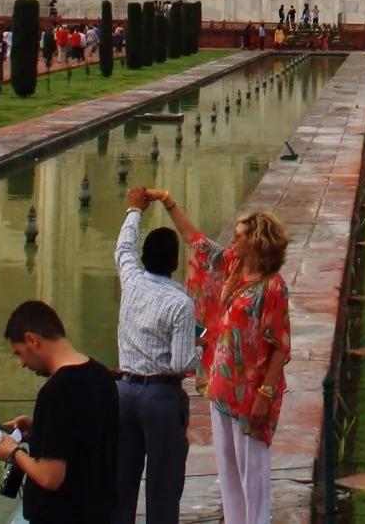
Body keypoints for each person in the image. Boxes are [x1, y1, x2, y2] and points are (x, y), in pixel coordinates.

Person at [157, 194, 291, 524]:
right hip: (223, 387)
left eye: (240, 235)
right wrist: (169, 203)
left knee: (253, 471)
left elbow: (280, 347)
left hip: (251, 393)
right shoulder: (233, 266)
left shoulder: (272, 288)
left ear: (256, 242)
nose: (234, 239)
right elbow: (197, 242)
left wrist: (265, 393)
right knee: (228, 470)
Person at [0, 300, 121, 524]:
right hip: (100, 512)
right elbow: (84, 437)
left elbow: (50, 477)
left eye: (20, 353)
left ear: (32, 340)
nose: (22, 363)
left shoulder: (55, 392)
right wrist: (39, 429)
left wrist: (12, 452)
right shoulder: (102, 376)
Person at [116, 188, 201, 524]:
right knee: (163, 486)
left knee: (122, 481)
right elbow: (181, 363)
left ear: (145, 258)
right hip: (160, 397)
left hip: (123, 392)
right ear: (175, 263)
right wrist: (203, 349)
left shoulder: (132, 281)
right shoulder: (180, 303)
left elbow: (123, 249)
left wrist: (134, 210)